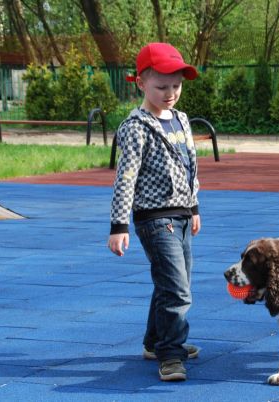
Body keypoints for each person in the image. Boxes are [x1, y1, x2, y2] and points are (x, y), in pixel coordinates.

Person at [107, 42, 201, 382]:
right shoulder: (135, 126)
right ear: (141, 83)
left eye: (176, 85)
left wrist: (194, 207)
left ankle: (154, 341)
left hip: (181, 215)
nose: (170, 93)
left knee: (174, 283)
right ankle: (170, 354)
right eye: (161, 86)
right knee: (177, 289)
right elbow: (125, 178)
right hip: (154, 218)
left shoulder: (181, 120)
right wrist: (119, 225)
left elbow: (191, 165)